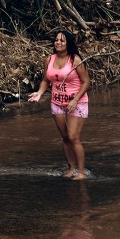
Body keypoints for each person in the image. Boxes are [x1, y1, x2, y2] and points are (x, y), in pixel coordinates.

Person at [27, 29, 91, 178]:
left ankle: (81, 172)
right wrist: (39, 93)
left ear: (68, 43)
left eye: (62, 40)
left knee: (73, 137)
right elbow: (46, 80)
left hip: (77, 103)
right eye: (56, 40)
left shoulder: (75, 59)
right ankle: (71, 169)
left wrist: (75, 100)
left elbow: (86, 82)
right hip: (57, 103)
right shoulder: (49, 59)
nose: (58, 43)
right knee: (65, 138)